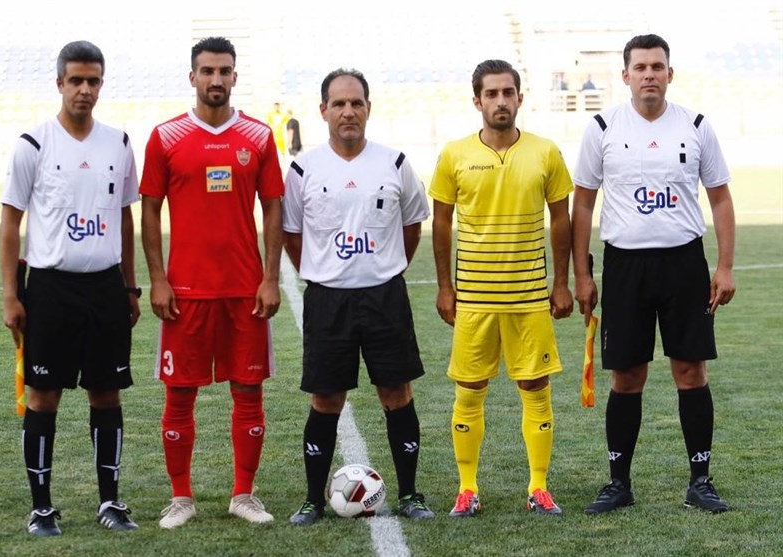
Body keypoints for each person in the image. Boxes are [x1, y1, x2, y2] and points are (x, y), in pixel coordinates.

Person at [571, 33, 735, 515]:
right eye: (640, 67)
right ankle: (618, 482)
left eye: (657, 66)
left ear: (670, 73)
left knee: (690, 371)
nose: (649, 75)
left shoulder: (696, 126)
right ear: (625, 75)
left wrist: (725, 266)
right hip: (625, 266)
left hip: (684, 264)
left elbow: (720, 198)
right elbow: (584, 203)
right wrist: (582, 274)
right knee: (627, 376)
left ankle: (700, 480)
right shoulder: (602, 127)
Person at [140, 36, 284, 528]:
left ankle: (244, 495)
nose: (216, 79)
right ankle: (181, 498)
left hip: (245, 290)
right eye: (208, 71)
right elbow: (150, 209)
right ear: (193, 77)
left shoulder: (259, 136)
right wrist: (158, 279)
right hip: (185, 293)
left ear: (235, 77)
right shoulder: (166, 137)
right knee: (179, 396)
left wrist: (270, 277)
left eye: (224, 71)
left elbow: (273, 207)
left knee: (249, 392)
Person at [0, 40, 141, 536]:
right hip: (51, 289)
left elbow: (125, 218)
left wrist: (130, 287)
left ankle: (111, 503)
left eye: (93, 81)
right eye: (76, 80)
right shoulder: (34, 144)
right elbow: (11, 223)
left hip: (105, 288)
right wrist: (11, 295)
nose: (85, 89)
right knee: (44, 396)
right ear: (59, 82)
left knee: (107, 394)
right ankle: (41, 509)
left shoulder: (119, 144)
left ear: (101, 84)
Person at [282, 68, 435, 526]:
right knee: (326, 398)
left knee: (396, 392)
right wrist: (322, 271)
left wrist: (384, 267)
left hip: (385, 296)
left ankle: (409, 494)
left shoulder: (394, 163)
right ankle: (313, 498)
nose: (348, 112)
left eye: (356, 103)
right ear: (323, 110)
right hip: (328, 299)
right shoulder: (304, 169)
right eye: (339, 104)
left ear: (368, 108)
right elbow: (293, 234)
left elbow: (412, 226)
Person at [430, 59, 573, 518]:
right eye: (491, 94)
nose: (500, 101)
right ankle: (467, 488)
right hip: (474, 298)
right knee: (469, 390)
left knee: (535, 387)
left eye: (507, 92)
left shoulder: (545, 152)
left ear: (519, 98)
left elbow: (562, 219)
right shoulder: (454, 154)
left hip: (529, 297)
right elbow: (440, 223)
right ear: (477, 101)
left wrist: (562, 282)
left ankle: (539, 487)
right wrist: (445, 287)